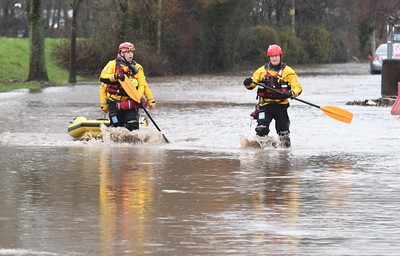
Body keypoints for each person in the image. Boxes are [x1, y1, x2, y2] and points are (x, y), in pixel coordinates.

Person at [243, 44, 302, 147]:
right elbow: (251, 85)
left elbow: (298, 87)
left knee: (284, 134)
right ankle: (263, 154)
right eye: (272, 56)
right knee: (261, 129)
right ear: (269, 57)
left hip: (281, 106)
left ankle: (284, 155)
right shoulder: (261, 71)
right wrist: (247, 83)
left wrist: (291, 93)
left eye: (276, 56)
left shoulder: (288, 72)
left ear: (280, 56)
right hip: (265, 106)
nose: (274, 58)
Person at [99, 42, 156, 131]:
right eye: (128, 52)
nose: (131, 55)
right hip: (114, 103)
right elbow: (102, 79)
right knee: (116, 127)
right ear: (121, 53)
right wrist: (116, 77)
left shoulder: (137, 68)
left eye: (132, 52)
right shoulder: (112, 65)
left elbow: (143, 84)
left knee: (133, 126)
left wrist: (150, 100)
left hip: (131, 102)